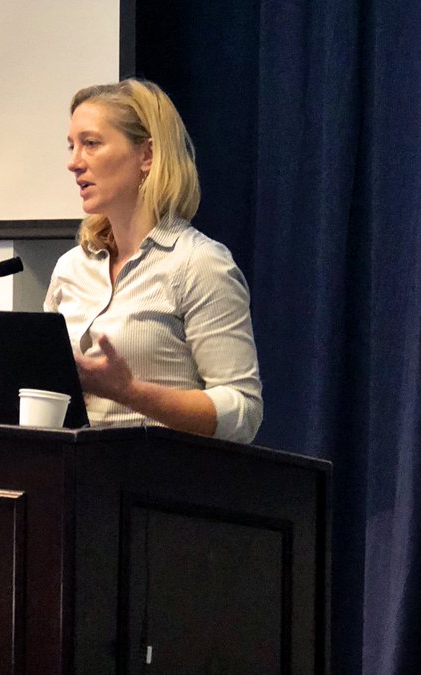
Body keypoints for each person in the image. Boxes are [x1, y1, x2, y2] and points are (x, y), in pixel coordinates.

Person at [44, 78, 263, 444]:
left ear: (146, 155)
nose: (73, 163)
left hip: (159, 487)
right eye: (71, 146)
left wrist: (131, 391)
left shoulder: (199, 264)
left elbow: (243, 412)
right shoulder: (70, 268)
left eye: (91, 144)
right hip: (76, 480)